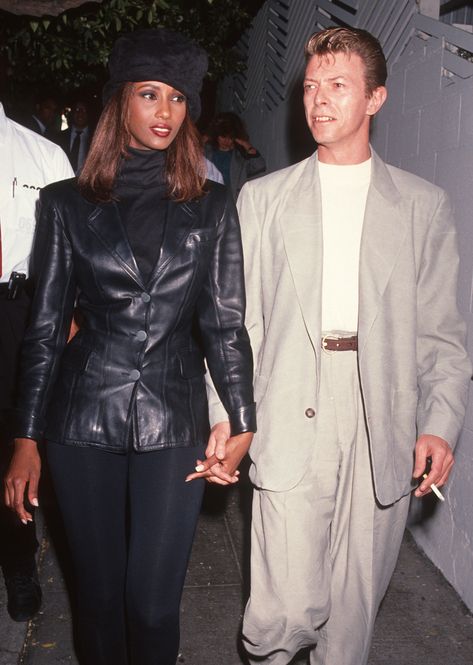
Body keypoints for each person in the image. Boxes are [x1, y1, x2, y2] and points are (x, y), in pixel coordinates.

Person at [206, 26, 471, 665]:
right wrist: (228, 417)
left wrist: (439, 424)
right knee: (280, 614)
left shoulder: (421, 205)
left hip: (381, 408)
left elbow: (442, 332)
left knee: (350, 620)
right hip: (289, 395)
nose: (319, 101)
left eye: (339, 86)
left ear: (375, 99)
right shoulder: (263, 199)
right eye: (312, 87)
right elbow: (233, 324)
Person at [4, 28, 255, 665]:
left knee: (151, 602)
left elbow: (226, 325)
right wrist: (25, 438)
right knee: (97, 600)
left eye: (177, 98)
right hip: (80, 418)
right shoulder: (64, 205)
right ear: (122, 102)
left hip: (174, 420)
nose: (165, 111)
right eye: (150, 94)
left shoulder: (213, 205)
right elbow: (44, 327)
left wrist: (243, 422)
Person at [0, 83, 73, 621]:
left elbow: (71, 255)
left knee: (14, 445)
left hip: (17, 312)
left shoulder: (42, 154)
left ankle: (18, 564)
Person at [205, 111, 266, 200]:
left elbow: (260, 166)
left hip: (230, 202)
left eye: (230, 138)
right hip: (207, 200)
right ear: (216, 135)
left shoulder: (239, 159)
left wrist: (246, 145)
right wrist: (201, 141)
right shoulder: (207, 152)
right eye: (223, 136)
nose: (226, 141)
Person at [57, 97, 93, 174]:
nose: (80, 113)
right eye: (77, 110)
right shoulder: (59, 137)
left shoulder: (95, 138)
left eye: (83, 110)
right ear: (72, 113)